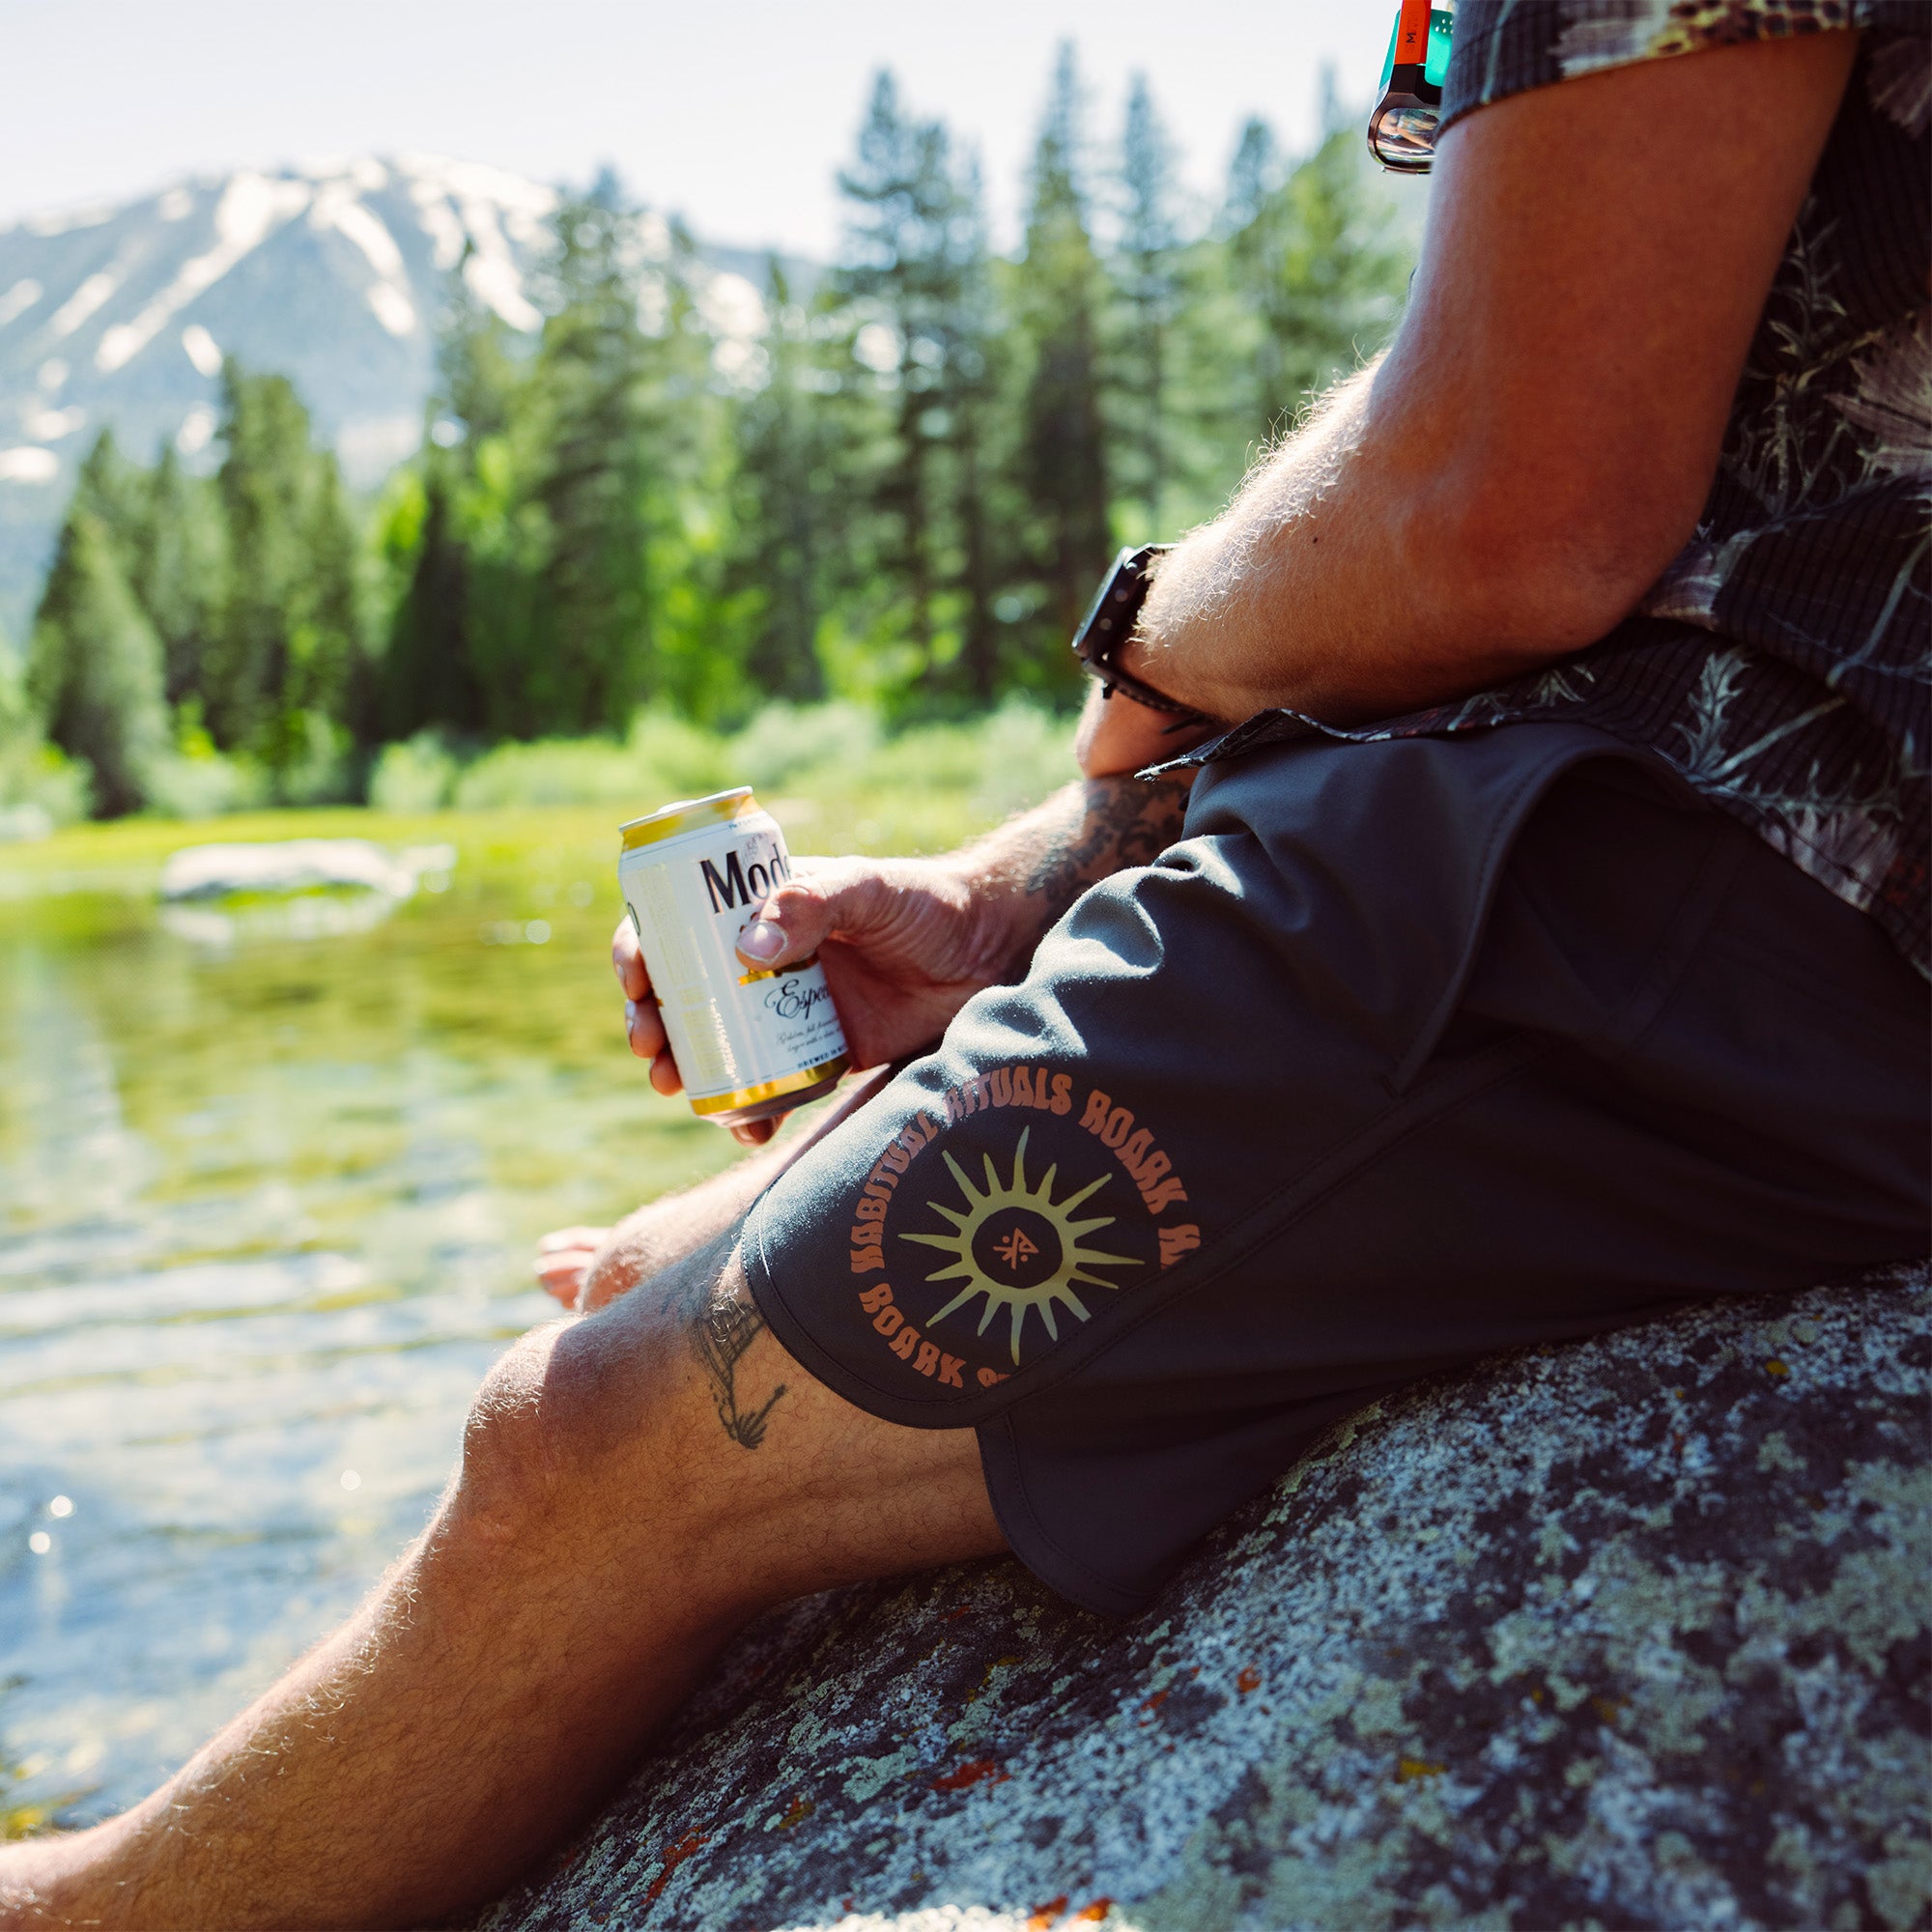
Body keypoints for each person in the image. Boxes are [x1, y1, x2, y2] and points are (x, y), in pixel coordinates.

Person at [6, 4, 1926, 1924]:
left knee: (586, 1432)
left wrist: (1152, 643)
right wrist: (1030, 878)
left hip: (1716, 883)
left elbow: (1507, 505)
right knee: (654, 1262)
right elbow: (1593, 394)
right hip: (1598, 824)